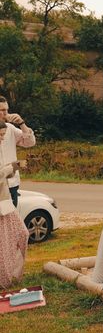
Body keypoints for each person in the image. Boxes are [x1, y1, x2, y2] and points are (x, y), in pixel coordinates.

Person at [0, 120, 29, 290]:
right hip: (1, 206)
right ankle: (5, 279)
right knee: (5, 243)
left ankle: (12, 275)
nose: (2, 139)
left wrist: (13, 169)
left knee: (22, 234)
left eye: (3, 135)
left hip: (5, 202)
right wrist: (11, 167)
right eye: (0, 135)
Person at [0, 96, 36, 206]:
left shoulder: (9, 128)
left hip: (11, 184)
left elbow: (30, 142)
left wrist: (21, 123)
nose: (5, 113)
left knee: (10, 219)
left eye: (6, 110)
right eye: (2, 110)